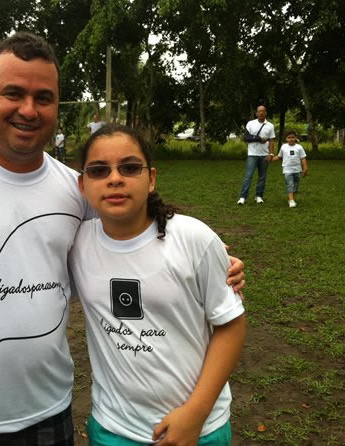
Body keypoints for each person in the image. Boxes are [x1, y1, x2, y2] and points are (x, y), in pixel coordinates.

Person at [0, 32, 245, 446]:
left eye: (43, 98)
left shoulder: (75, 189)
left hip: (50, 413)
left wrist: (216, 259)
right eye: (13, 93)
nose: (29, 110)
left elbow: (133, 231)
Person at [70, 124, 246, 445]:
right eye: (98, 170)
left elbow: (231, 325)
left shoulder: (193, 238)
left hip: (199, 429)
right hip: (113, 430)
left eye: (129, 167)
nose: (115, 178)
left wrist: (195, 413)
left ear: (151, 178)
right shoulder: (75, 244)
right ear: (83, 185)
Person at [237, 105, 275, 205]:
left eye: (263, 111)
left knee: (262, 177)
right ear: (256, 113)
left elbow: (271, 141)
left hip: (264, 155)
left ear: (266, 113)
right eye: (259, 111)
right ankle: (242, 197)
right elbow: (246, 138)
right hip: (252, 154)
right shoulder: (251, 124)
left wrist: (271, 153)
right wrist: (258, 138)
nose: (261, 113)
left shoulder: (270, 126)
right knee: (248, 176)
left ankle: (259, 196)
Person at [272, 130, 308, 208]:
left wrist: (305, 168)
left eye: (293, 137)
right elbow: (279, 156)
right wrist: (271, 159)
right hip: (287, 169)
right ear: (286, 139)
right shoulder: (283, 147)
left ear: (296, 138)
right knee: (290, 184)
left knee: (295, 185)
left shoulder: (299, 147)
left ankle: (292, 199)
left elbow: (303, 158)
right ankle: (291, 200)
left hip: (297, 170)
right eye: (289, 137)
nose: (291, 139)